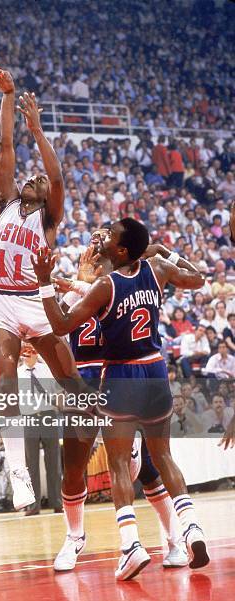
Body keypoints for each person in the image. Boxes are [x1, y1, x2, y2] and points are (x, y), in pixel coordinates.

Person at [32, 218, 209, 580]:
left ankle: (161, 540)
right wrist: (66, 283)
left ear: (119, 250)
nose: (99, 241)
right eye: (95, 237)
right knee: (77, 467)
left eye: (106, 237)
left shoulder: (104, 285)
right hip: (100, 380)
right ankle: (78, 538)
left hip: (118, 375)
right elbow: (195, 279)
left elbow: (62, 321)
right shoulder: (136, 272)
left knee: (139, 467)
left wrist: (52, 284)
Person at [0, 60, 83, 510]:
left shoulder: (49, 217)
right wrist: (7, 96)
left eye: (39, 180)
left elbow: (57, 177)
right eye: (32, 175)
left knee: (71, 381)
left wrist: (38, 131)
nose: (35, 178)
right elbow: (5, 145)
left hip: (36, 301)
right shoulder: (4, 201)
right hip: (1, 303)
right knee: (4, 382)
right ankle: (20, 472)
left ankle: (126, 433)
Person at [18, 343, 62, 516]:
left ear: (36, 354)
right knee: (31, 464)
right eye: (24, 353)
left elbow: (59, 393)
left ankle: (57, 501)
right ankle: (33, 505)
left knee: (54, 461)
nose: (26, 355)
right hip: (28, 419)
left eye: (29, 352)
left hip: (48, 415)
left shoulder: (47, 371)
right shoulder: (17, 373)